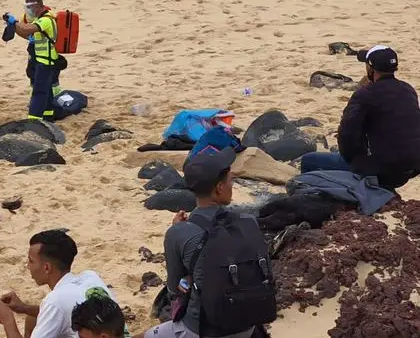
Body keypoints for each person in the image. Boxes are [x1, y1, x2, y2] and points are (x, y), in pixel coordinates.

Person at [135, 148, 273, 338]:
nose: (231, 185)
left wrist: (176, 231)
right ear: (219, 188)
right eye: (230, 181)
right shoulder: (249, 221)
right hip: (246, 326)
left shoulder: (178, 232)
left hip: (201, 329)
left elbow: (175, 289)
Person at [300, 45, 420, 191]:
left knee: (309, 161)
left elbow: (347, 135)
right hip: (410, 168)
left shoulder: (365, 94)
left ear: (371, 69)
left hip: (382, 171)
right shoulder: (408, 90)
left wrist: (356, 164)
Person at [0, 230, 129, 338]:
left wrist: (8, 321)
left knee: (38, 318)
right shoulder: (90, 276)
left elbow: (57, 307)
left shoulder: (54, 300)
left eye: (31, 261)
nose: (28, 266)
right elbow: (65, 311)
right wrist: (24, 308)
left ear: (47, 267)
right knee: (33, 317)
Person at [4, 0, 61, 121]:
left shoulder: (46, 20)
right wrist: (13, 26)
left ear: (38, 6)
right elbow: (26, 33)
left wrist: (16, 22)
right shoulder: (38, 20)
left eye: (30, 7)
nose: (28, 11)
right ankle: (48, 115)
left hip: (46, 61)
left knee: (39, 91)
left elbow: (29, 28)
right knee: (46, 90)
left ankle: (33, 119)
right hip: (40, 60)